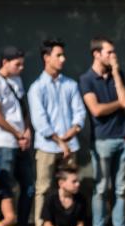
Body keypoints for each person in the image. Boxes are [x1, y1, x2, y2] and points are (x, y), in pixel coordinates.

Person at [78, 38, 125, 226]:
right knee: (101, 188)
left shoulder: (117, 75)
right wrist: (119, 103)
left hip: (122, 138)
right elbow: (96, 110)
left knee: (119, 189)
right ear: (96, 53)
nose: (113, 56)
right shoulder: (87, 79)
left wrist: (117, 72)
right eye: (109, 52)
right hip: (101, 140)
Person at [27, 38, 85, 211]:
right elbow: (40, 121)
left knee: (70, 188)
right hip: (47, 147)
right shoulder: (37, 87)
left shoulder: (71, 84)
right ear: (46, 57)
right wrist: (60, 141)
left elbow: (80, 113)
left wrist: (72, 132)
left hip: (70, 146)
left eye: (63, 55)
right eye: (58, 55)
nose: (63, 59)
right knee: (43, 189)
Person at [0, 46, 33, 221]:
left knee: (28, 186)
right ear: (5, 62)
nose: (21, 68)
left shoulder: (17, 80)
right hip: (2, 142)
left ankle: (23, 224)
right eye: (17, 64)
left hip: (21, 142)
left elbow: (23, 109)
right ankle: (3, 222)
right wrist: (18, 134)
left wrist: (26, 130)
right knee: (5, 186)